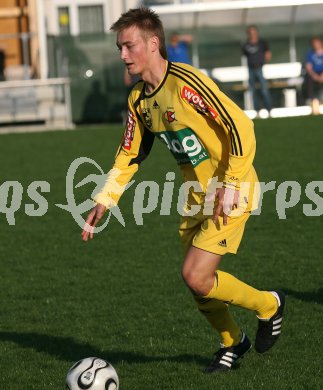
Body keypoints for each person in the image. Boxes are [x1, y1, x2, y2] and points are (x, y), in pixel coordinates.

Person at [82, 8, 285, 373]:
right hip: (196, 197)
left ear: (153, 43)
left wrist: (233, 183)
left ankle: (269, 305)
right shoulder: (138, 101)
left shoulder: (186, 83)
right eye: (119, 48)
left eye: (128, 46)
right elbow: (130, 153)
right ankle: (232, 342)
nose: (123, 55)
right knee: (196, 283)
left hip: (231, 189)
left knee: (195, 274)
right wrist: (105, 198)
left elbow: (240, 125)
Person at [242, 25, 272, 114]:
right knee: (253, 91)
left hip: (260, 68)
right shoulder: (246, 44)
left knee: (264, 90)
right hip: (250, 69)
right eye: (250, 32)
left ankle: (269, 110)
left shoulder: (262, 42)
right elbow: (245, 55)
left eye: (253, 32)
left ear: (256, 32)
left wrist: (264, 61)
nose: (252, 34)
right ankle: (257, 110)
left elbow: (268, 54)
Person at [304, 36, 323, 115]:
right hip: (313, 74)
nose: (315, 45)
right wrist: (314, 76)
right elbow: (308, 67)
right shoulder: (310, 54)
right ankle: (313, 103)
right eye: (314, 44)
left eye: (317, 43)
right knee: (308, 80)